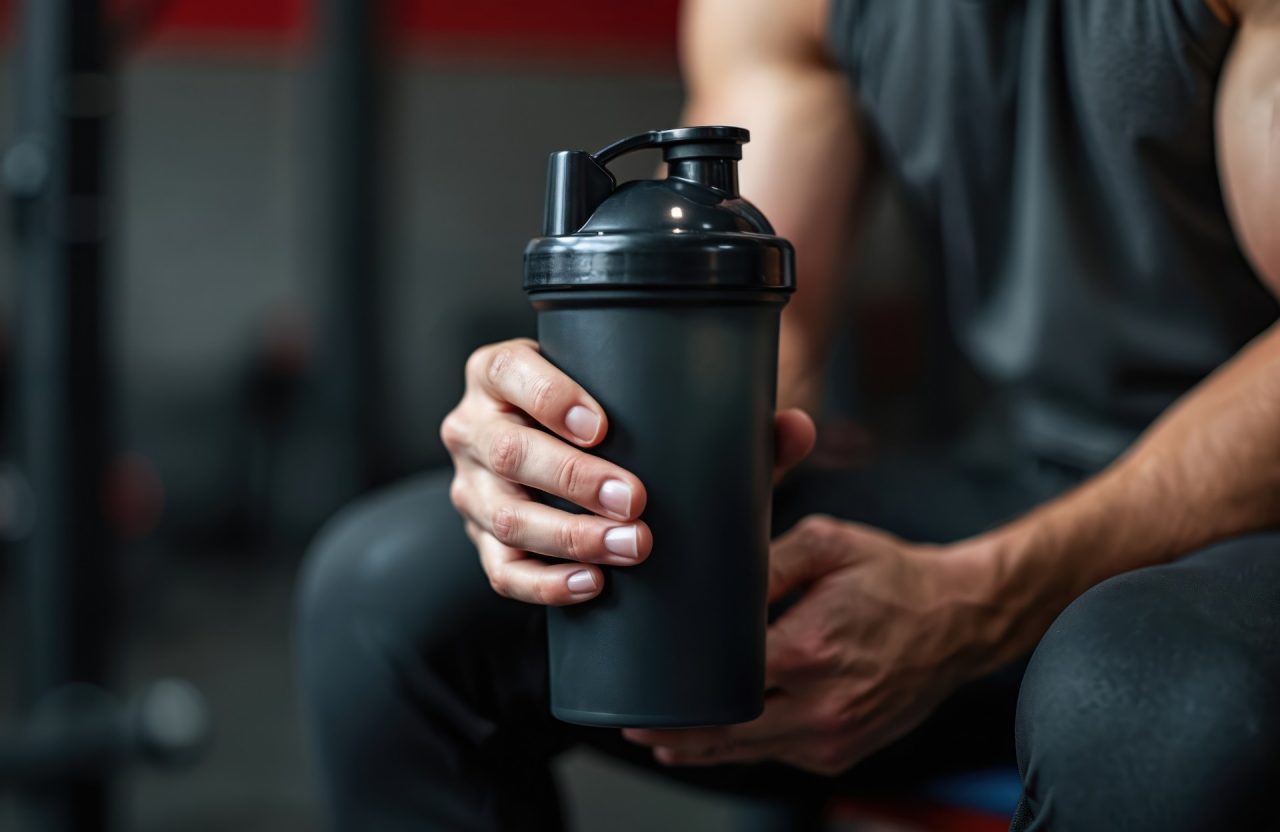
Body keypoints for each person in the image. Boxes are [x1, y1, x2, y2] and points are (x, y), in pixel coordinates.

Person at [297, 0, 1280, 828]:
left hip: (1240, 540)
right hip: (1030, 487)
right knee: (387, 594)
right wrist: (572, 450)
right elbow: (764, 325)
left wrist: (981, 597)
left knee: (1145, 700)